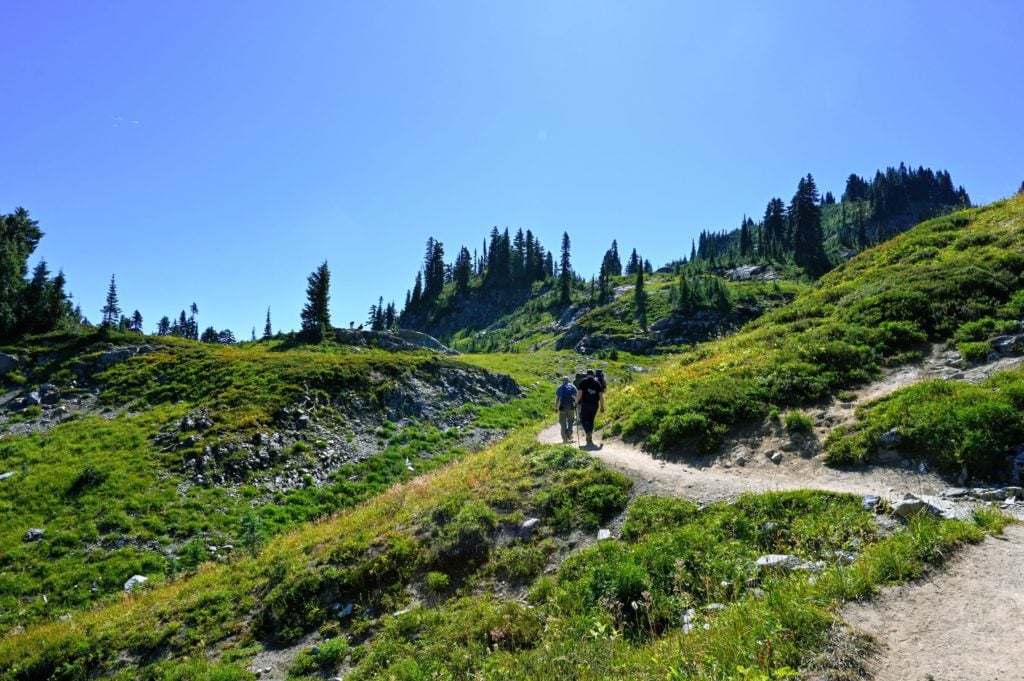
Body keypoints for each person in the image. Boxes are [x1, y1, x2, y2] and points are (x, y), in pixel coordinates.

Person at [576, 369, 605, 446]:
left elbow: (579, 393)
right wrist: (602, 407)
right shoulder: (597, 383)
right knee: (591, 420)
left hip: (585, 404)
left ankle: (588, 432)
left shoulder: (583, 382)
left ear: (587, 374)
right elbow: (601, 396)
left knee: (583, 419)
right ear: (593, 374)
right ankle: (590, 435)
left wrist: (576, 402)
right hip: (595, 405)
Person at [554, 377, 578, 444]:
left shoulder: (559, 388)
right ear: (568, 380)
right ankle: (569, 436)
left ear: (562, 381)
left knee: (563, 423)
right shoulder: (572, 386)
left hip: (562, 408)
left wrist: (556, 408)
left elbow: (557, 399)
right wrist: (576, 404)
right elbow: (576, 395)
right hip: (571, 407)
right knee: (570, 421)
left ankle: (564, 439)